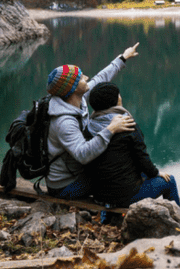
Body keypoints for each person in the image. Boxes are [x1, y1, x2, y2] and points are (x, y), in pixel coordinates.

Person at [43, 43, 139, 199]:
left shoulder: (76, 99)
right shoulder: (64, 122)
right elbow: (83, 154)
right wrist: (111, 129)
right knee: (116, 176)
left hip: (76, 171)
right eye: (81, 77)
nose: (86, 78)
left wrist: (123, 57)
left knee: (116, 168)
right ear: (72, 88)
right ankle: (114, 211)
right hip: (65, 185)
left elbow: (101, 78)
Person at [84, 82, 180, 209]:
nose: (120, 97)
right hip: (125, 198)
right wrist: (156, 173)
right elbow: (142, 158)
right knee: (169, 181)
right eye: (118, 94)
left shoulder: (89, 127)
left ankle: (106, 215)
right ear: (115, 100)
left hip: (99, 196)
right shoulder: (127, 125)